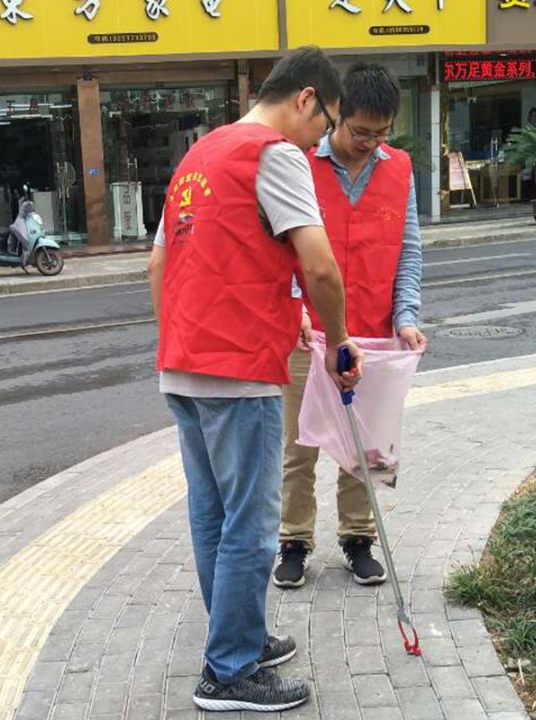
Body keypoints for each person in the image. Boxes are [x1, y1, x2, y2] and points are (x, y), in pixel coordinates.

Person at [149, 46, 362, 712]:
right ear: (306, 98)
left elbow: (160, 265)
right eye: (324, 123)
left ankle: (235, 637)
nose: (320, 138)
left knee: (213, 515)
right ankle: (229, 672)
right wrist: (338, 341)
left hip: (182, 367)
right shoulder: (276, 155)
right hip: (239, 374)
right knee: (252, 526)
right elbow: (321, 268)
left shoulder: (198, 157)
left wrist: (198, 335)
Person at [272, 63, 427, 592]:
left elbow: (408, 253)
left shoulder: (399, 169)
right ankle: (294, 540)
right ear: (337, 115)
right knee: (300, 444)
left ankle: (358, 538)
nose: (370, 144)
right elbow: (280, 248)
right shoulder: (299, 165)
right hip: (306, 333)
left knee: (366, 445)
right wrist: (293, 304)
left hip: (373, 335)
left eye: (381, 134)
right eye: (361, 132)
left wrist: (406, 318)